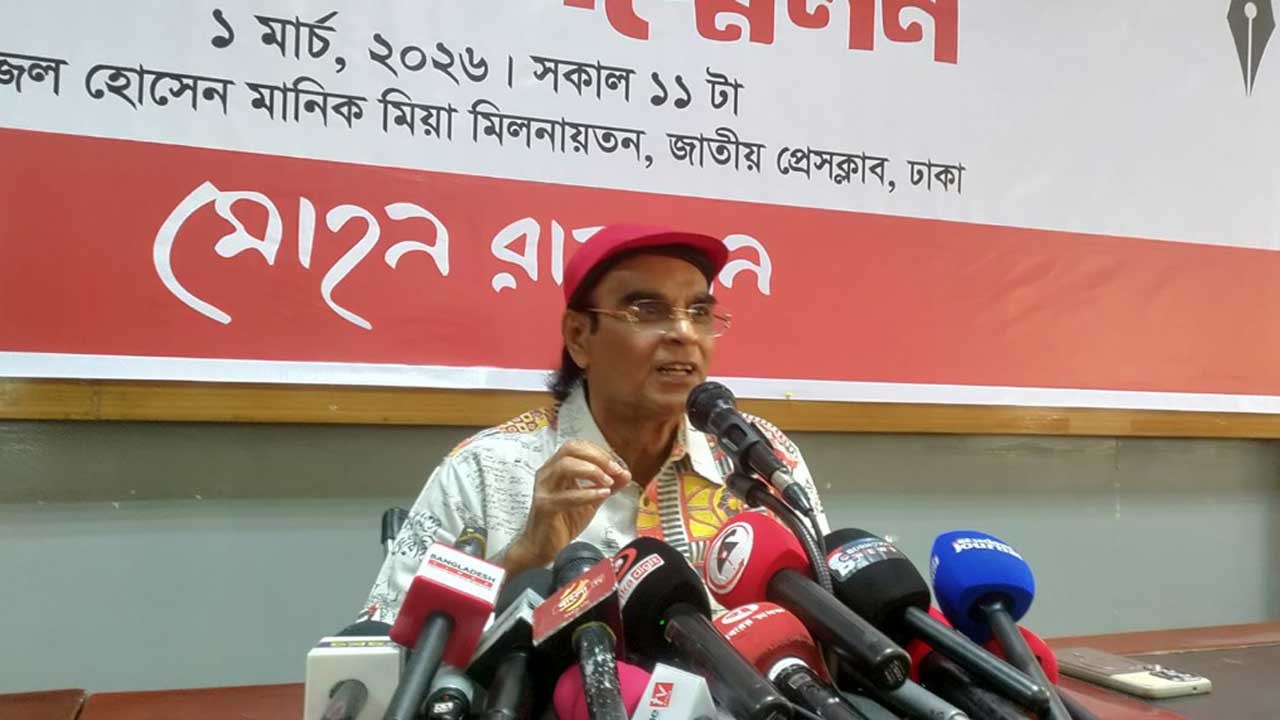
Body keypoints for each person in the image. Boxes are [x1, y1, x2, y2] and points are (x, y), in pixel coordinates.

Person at [360, 225, 828, 623]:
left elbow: (824, 607)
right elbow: (385, 650)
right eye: (648, 311)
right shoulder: (483, 471)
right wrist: (523, 559)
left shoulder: (759, 455)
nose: (684, 334)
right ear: (579, 336)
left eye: (699, 313)